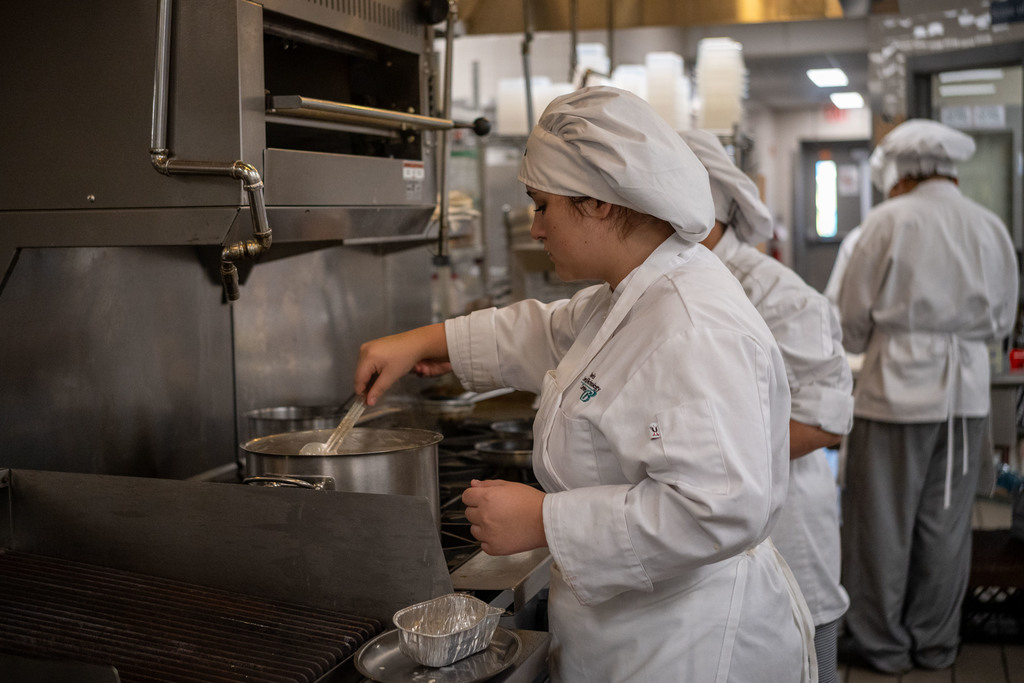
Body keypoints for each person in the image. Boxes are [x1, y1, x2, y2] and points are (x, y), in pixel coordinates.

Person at [355, 86, 816, 682]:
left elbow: (719, 509)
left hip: (691, 648)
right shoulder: (634, 293)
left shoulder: (693, 325)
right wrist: (426, 341)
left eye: (543, 206)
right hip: (633, 632)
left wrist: (545, 520)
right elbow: (551, 332)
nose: (536, 227)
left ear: (599, 204)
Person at [835, 118, 1019, 673]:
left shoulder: (888, 221)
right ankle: (935, 642)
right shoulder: (990, 226)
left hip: (893, 394)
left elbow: (848, 322)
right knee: (947, 527)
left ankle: (883, 645)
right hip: (966, 398)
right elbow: (1002, 320)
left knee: (881, 527)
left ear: (900, 174)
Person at [681, 129, 854, 683]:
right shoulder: (669, 287)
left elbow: (822, 422)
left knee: (803, 650)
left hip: (787, 524)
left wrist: (702, 457)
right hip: (708, 533)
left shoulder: (780, 294)